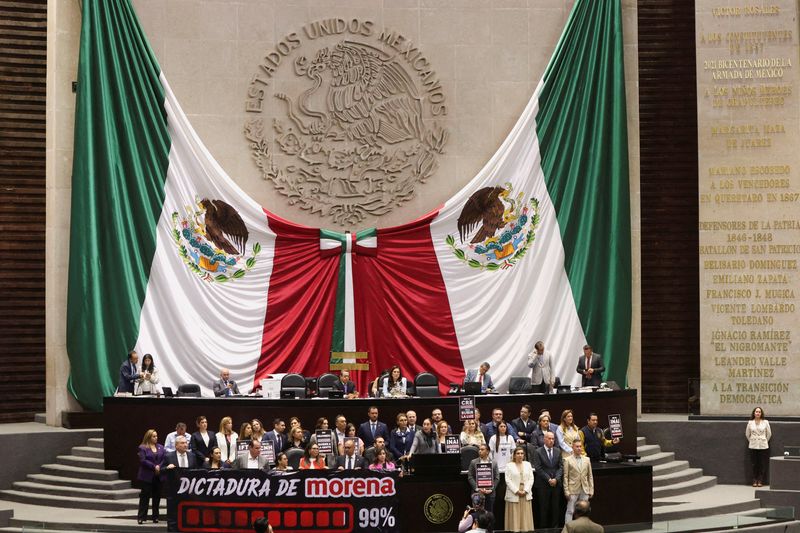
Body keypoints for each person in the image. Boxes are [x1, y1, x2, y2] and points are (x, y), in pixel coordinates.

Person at [162, 435, 195, 532]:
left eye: (186, 443)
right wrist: (167, 468)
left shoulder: (192, 456)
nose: (185, 445)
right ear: (176, 445)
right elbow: (161, 470)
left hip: (189, 491)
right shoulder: (169, 456)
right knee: (173, 515)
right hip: (174, 491)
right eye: (182, 443)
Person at [533, 431, 563, 530]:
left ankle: (555, 528)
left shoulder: (558, 451)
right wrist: (549, 479)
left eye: (553, 439)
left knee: (555, 508)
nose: (551, 441)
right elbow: (538, 468)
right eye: (549, 439)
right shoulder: (538, 451)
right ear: (544, 439)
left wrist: (556, 479)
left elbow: (561, 467)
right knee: (543, 508)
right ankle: (543, 529)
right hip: (543, 484)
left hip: (556, 484)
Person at [136, 429, 165, 524]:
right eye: (154, 436)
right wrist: (154, 467)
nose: (156, 438)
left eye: (156, 436)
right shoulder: (142, 447)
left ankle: (155, 517)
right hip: (147, 476)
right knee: (145, 497)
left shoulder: (161, 447)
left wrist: (159, 467)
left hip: (158, 475)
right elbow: (143, 460)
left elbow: (164, 459)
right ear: (149, 437)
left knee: (157, 497)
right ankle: (141, 517)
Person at [504, 446, 534, 531]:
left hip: (525, 493)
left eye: (522, 453)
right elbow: (508, 480)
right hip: (514, 494)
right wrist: (517, 491)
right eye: (518, 453)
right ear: (514, 455)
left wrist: (526, 490)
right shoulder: (509, 465)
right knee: (515, 516)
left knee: (525, 516)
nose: (520, 455)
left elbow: (531, 478)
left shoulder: (528, 464)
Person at [563, 439, 593, 523]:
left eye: (580, 446)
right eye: (577, 446)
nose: (579, 448)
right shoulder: (567, 460)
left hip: (585, 489)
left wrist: (591, 490)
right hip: (572, 489)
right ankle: (568, 530)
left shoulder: (587, 459)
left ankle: (582, 529)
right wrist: (566, 491)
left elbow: (590, 476)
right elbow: (565, 477)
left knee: (584, 511)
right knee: (570, 511)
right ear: (572, 447)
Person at [468, 443, 499, 514]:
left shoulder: (494, 463)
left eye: (482, 449)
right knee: (477, 515)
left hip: (490, 493)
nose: (479, 451)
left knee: (489, 514)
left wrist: (491, 489)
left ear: (487, 451)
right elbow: (470, 477)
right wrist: (477, 488)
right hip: (477, 493)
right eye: (479, 449)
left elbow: (497, 478)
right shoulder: (473, 462)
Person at [746, 406, 772, 487]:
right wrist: (753, 440)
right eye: (756, 411)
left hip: (763, 445)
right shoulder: (750, 422)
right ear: (754, 413)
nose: (758, 413)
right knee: (754, 463)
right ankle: (754, 480)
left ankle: (760, 480)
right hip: (753, 445)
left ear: (761, 413)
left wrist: (763, 440)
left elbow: (769, 434)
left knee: (762, 463)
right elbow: (747, 434)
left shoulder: (765, 422)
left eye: (759, 412)